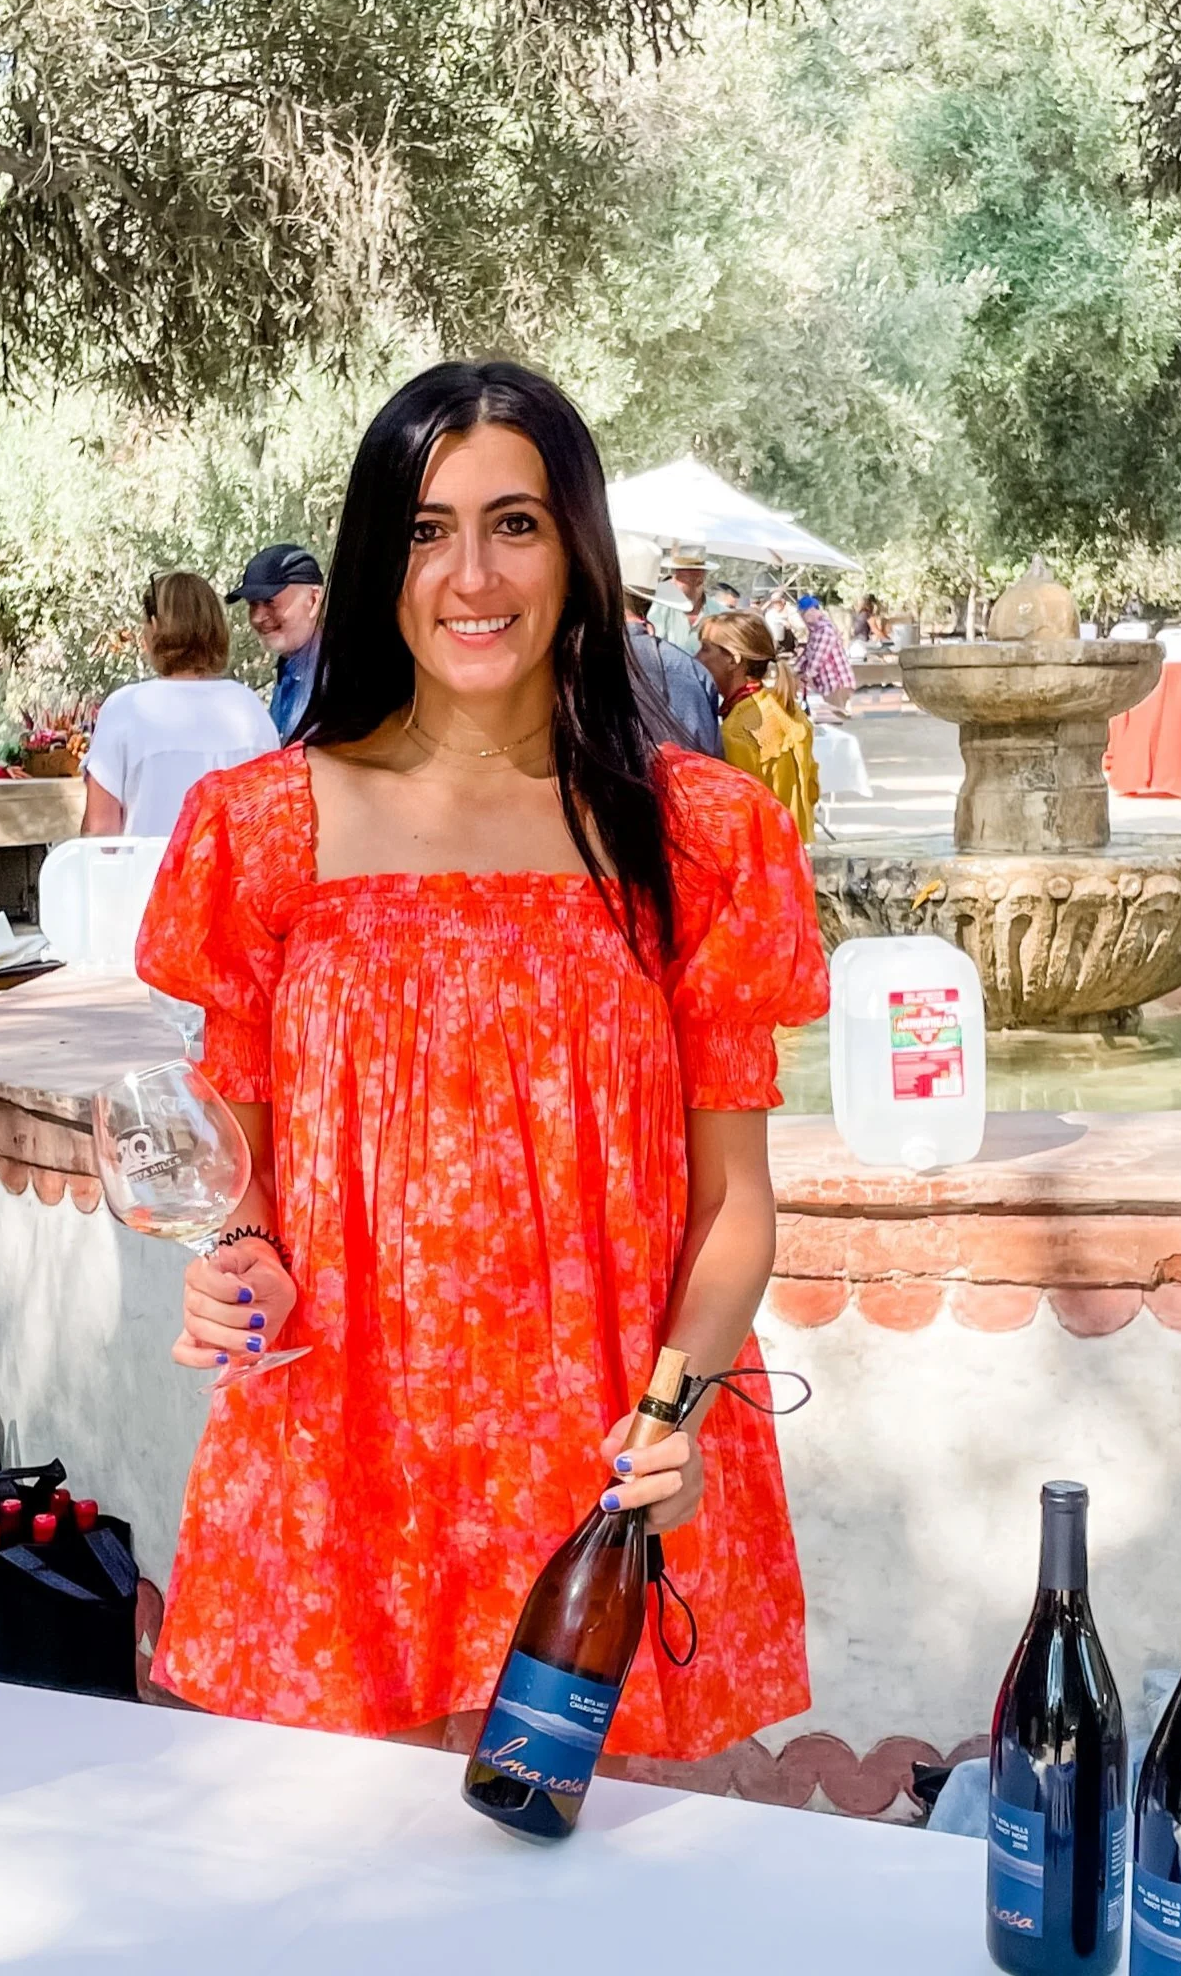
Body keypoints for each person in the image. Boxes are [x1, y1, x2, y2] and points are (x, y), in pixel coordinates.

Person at [136, 359, 827, 1761]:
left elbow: (731, 1199)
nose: (470, 575)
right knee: (344, 1863)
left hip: (602, 1460)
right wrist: (237, 1260)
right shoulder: (257, 828)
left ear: (576, 549)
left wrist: (676, 1410)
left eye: (514, 523)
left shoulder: (699, 834)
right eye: (424, 530)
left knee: (587, 1864)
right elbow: (239, 1171)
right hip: (342, 1455)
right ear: (372, 560)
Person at [82, 572, 278, 837]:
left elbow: (100, 833)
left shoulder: (124, 710)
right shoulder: (250, 709)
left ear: (154, 626)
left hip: (149, 865)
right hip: (229, 865)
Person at [698, 610, 820, 843]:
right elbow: (811, 793)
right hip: (798, 851)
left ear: (733, 659)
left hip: (766, 854)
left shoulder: (737, 732)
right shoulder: (787, 708)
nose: (696, 658)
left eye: (705, 649)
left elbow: (738, 818)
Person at [618, 531, 722, 755]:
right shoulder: (695, 672)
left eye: (696, 573)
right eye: (685, 573)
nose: (692, 578)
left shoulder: (579, 660)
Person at [227, 543, 323, 742]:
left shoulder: (342, 679)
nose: (257, 617)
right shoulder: (289, 670)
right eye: (253, 604)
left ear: (313, 600)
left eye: (269, 602)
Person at [651, 539, 717, 657]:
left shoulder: (719, 613)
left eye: (680, 578)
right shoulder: (658, 605)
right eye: (675, 575)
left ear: (700, 579)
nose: (673, 582)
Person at [794, 590, 855, 711]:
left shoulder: (825, 631)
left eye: (803, 613)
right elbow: (807, 654)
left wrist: (805, 676)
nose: (802, 617)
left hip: (837, 685)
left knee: (837, 717)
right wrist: (794, 670)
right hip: (827, 686)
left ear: (812, 611)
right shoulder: (815, 631)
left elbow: (817, 660)